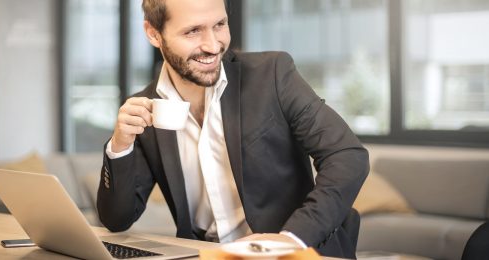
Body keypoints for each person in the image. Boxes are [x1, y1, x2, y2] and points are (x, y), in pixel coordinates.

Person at [97, 0, 369, 258]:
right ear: (153, 34)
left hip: (291, 254)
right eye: (193, 31)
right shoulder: (147, 109)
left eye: (219, 25)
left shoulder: (272, 74)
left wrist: (291, 238)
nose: (214, 45)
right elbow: (117, 219)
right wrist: (120, 146)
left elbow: (347, 155)